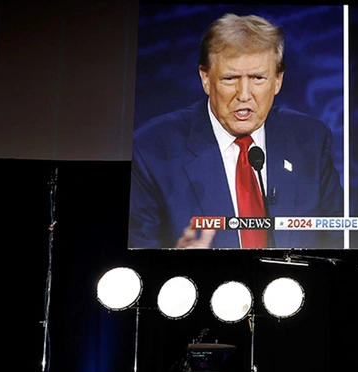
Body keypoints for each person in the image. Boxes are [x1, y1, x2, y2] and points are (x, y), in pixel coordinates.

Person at [129, 13, 344, 250]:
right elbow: (139, 253)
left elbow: (338, 238)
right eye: (230, 78)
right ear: (206, 79)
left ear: (278, 80)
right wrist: (175, 262)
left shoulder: (310, 139)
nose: (243, 94)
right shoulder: (152, 149)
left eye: (258, 78)